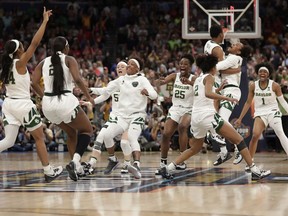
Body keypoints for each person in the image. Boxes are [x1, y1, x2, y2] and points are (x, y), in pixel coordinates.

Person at [160, 54, 271, 181]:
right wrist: (226, 97)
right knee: (239, 139)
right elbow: (208, 93)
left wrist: (219, 89)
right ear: (213, 68)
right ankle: (254, 170)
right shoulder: (210, 77)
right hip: (207, 115)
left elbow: (204, 92)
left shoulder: (199, 78)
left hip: (196, 117)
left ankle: (168, 168)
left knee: (195, 148)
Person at [0, 7, 63, 183]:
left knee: (8, 141)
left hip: (9, 105)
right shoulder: (20, 63)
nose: (23, 47)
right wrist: (44, 22)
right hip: (22, 105)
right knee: (39, 137)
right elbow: (35, 44)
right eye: (21, 45)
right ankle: (49, 171)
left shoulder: (4, 68)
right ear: (19, 50)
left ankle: (49, 170)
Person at [32, 36, 95, 181]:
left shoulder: (43, 62)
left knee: (71, 133)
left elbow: (34, 83)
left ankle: (77, 169)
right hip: (65, 101)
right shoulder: (69, 59)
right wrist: (88, 96)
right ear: (66, 47)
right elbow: (78, 79)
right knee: (87, 130)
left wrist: (45, 96)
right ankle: (74, 162)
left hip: (48, 105)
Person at [94, 58, 158, 178]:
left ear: (137, 69)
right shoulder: (121, 80)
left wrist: (148, 93)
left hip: (137, 115)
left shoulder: (142, 79)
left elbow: (154, 95)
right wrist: (89, 90)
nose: (128, 66)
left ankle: (137, 165)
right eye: (127, 64)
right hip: (122, 116)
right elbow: (105, 90)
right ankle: (113, 160)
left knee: (131, 138)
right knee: (107, 135)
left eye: (131, 65)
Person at [81, 61, 133, 175]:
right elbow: (105, 95)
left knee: (124, 143)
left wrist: (91, 89)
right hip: (115, 117)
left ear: (128, 69)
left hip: (128, 117)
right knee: (102, 136)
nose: (119, 68)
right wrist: (91, 102)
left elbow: (103, 91)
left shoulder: (132, 82)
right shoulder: (114, 83)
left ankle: (128, 163)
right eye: (118, 66)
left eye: (122, 66)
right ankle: (93, 164)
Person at [235, 62, 288, 171]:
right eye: (260, 72)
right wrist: (240, 118)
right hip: (260, 113)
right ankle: (250, 162)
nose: (262, 73)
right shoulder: (253, 85)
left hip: (273, 112)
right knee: (255, 135)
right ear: (257, 73)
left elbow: (282, 102)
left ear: (268, 74)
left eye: (264, 72)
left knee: (280, 133)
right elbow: (248, 103)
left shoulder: (275, 85)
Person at [204, 24, 241, 164]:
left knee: (219, 120)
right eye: (223, 33)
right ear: (220, 35)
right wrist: (237, 71)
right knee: (216, 119)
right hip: (218, 84)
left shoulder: (208, 44)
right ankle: (226, 149)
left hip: (227, 89)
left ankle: (233, 148)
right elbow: (218, 69)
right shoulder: (219, 50)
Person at [154, 54, 196, 175]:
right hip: (176, 108)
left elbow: (200, 87)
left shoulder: (194, 78)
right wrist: (159, 82)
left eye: (185, 64)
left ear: (190, 66)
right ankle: (163, 163)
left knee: (182, 126)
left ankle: (181, 161)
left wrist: (189, 82)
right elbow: (163, 82)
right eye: (181, 63)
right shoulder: (174, 76)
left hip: (189, 108)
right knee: (166, 134)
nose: (182, 65)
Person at [213, 42, 252, 166]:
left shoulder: (234, 57)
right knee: (219, 121)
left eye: (236, 45)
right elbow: (222, 69)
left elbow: (218, 66)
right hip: (226, 90)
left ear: (239, 51)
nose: (233, 44)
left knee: (221, 120)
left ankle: (234, 147)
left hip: (231, 90)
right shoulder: (233, 58)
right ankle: (230, 148)